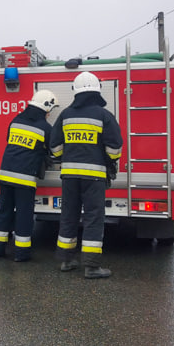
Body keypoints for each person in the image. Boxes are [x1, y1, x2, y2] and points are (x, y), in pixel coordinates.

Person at [50, 71, 123, 279]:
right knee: (93, 218)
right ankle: (91, 267)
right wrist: (108, 161)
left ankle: (66, 260)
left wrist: (65, 156)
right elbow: (114, 149)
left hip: (69, 176)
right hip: (95, 177)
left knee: (68, 216)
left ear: (76, 91)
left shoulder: (65, 115)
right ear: (97, 91)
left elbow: (55, 147)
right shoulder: (104, 115)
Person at [0, 90, 57, 262]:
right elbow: (54, 151)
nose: (50, 114)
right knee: (24, 215)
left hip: (6, 174)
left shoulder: (16, 121)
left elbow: (9, 140)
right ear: (45, 107)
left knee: (3, 212)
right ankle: (21, 253)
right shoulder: (45, 128)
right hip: (25, 178)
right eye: (50, 110)